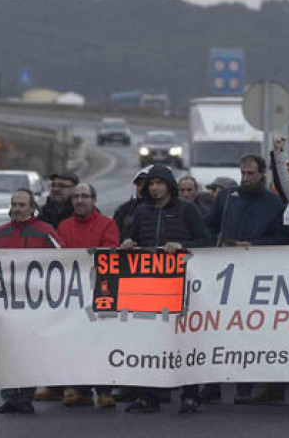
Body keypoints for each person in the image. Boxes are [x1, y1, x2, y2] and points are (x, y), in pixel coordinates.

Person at [120, 164, 211, 414]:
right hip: (149, 285)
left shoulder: (187, 209)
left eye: (159, 183)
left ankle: (190, 395)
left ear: (169, 185)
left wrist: (181, 246)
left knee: (183, 339)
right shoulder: (142, 211)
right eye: (151, 184)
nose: (154, 188)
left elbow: (206, 241)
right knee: (148, 341)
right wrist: (128, 244)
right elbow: (135, 239)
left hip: (180, 282)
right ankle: (148, 396)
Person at [205, 154, 289, 405]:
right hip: (223, 274)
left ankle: (245, 385)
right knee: (216, 330)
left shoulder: (274, 203)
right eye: (242, 173)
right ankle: (212, 386)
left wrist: (255, 245)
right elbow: (209, 226)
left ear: (262, 173)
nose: (246, 178)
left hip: (256, 277)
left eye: (251, 174)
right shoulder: (227, 197)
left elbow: (283, 239)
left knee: (248, 333)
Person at [0, 188, 63, 414]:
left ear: (32, 207)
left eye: (21, 205)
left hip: (35, 304)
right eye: (14, 204)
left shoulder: (46, 232)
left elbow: (64, 261)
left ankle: (25, 397)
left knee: (29, 351)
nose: (17, 209)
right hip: (5, 304)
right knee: (7, 351)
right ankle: (9, 397)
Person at [57, 183, 121, 409]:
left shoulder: (108, 224)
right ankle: (81, 390)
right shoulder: (63, 226)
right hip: (73, 294)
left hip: (99, 291)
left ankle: (104, 390)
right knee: (76, 343)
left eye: (84, 196)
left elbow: (111, 253)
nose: (80, 200)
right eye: (76, 197)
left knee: (100, 341)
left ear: (94, 200)